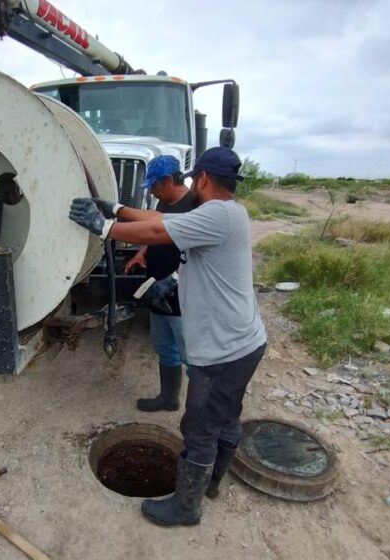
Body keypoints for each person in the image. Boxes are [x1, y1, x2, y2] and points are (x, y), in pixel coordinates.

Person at [69, 147, 267, 527]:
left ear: (202, 178)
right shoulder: (230, 213)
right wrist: (115, 209)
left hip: (224, 351)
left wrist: (104, 227)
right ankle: (211, 483)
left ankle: (186, 507)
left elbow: (159, 231)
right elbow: (161, 217)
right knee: (226, 416)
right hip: (245, 343)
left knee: (199, 428)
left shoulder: (216, 215)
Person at [99, 155, 194, 413]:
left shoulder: (194, 207)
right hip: (156, 290)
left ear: (168, 180)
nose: (151, 191)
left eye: (153, 185)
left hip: (183, 298)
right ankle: (169, 398)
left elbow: (201, 255)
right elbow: (154, 232)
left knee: (193, 357)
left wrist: (174, 279)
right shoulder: (163, 202)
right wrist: (143, 253)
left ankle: (203, 411)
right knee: (165, 348)